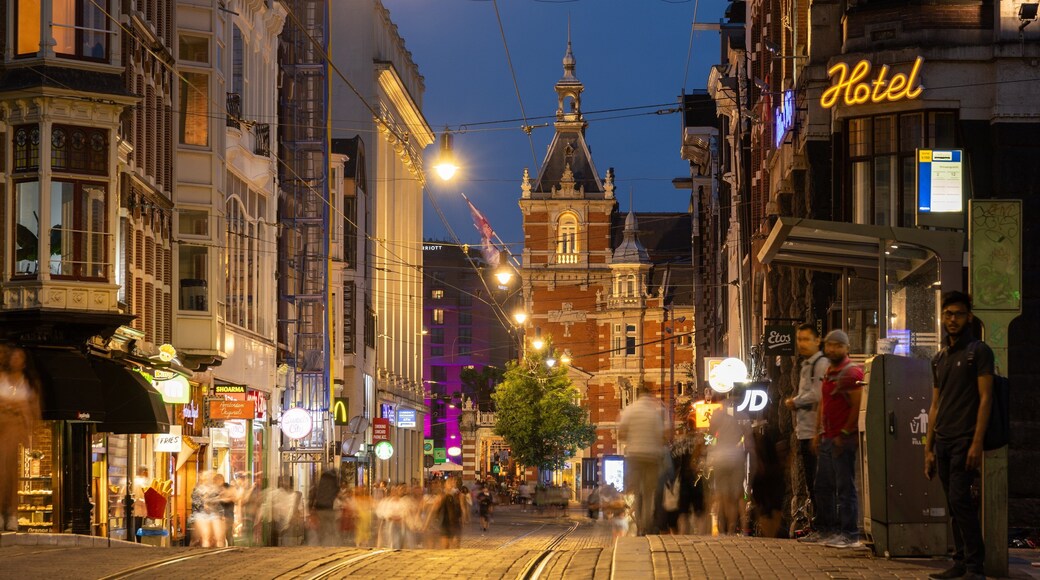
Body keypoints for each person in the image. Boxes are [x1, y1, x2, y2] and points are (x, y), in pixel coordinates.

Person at [924, 292, 992, 580]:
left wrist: (977, 442)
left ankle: (975, 565)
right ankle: (961, 561)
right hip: (943, 440)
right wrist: (928, 448)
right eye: (948, 314)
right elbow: (935, 404)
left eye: (959, 314)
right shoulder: (940, 357)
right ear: (942, 316)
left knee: (960, 500)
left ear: (969, 317)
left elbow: (986, 397)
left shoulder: (978, 352)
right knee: (953, 503)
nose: (953, 319)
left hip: (965, 439)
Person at [812, 329, 864, 549]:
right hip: (828, 437)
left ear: (846, 348)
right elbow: (824, 403)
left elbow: (857, 406)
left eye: (837, 345)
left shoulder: (851, 373)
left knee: (845, 487)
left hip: (843, 439)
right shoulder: (829, 371)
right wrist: (818, 431)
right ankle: (828, 530)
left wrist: (845, 433)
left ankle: (849, 533)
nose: (832, 349)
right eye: (829, 345)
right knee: (823, 485)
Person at [785, 323, 828, 541]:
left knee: (819, 482)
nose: (801, 343)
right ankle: (818, 526)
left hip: (815, 432)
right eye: (799, 339)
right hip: (805, 431)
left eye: (806, 339)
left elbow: (820, 395)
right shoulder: (806, 365)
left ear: (817, 340)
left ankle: (823, 528)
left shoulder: (820, 364)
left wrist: (796, 401)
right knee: (812, 482)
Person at [617, 387, 667, 536]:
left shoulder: (629, 410)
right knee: (649, 493)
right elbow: (662, 436)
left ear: (637, 395)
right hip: (652, 457)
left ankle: (639, 524)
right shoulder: (654, 412)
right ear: (649, 395)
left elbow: (621, 434)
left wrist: (631, 440)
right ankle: (646, 524)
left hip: (634, 456)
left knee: (637, 492)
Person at [0, 346, 39, 531]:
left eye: (20, 358)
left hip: (13, 434)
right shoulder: (2, 379)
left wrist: (30, 438)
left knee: (11, 476)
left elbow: (30, 410)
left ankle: (12, 514)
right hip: (2, 432)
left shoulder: (26, 383)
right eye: (14, 357)